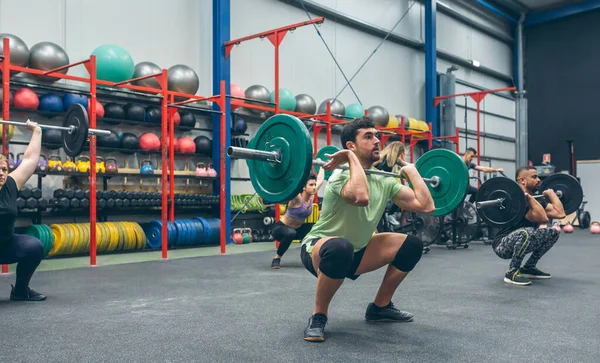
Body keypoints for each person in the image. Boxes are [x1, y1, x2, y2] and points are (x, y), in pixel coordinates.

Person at [299, 117, 435, 342]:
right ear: (350, 146)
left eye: (377, 136)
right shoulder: (340, 177)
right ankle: (318, 316)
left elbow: (427, 206)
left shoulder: (385, 180)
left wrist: (412, 173)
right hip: (319, 248)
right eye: (368, 137)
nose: (377, 141)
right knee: (340, 247)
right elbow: (361, 197)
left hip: (358, 250)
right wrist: (351, 159)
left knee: (411, 244)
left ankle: (380, 307)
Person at [492, 166, 565, 286]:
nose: (538, 180)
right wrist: (529, 198)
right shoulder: (515, 200)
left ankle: (529, 267)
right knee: (526, 231)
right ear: (522, 180)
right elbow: (543, 219)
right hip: (502, 245)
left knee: (553, 232)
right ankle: (511, 272)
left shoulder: (535, 200)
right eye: (534, 177)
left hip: (524, 240)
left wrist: (552, 194)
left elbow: (560, 213)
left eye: (538, 177)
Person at [0, 120, 46, 301]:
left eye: (4, 169)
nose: (2, 173)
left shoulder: (10, 184)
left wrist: (37, 131)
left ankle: (20, 291)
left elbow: (29, 160)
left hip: (6, 246)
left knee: (34, 246)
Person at [271, 165, 325, 269]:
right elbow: (289, 183)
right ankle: (276, 258)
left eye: (314, 185)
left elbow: (321, 180)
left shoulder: (312, 195)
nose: (314, 187)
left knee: (319, 228)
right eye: (311, 185)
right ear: (304, 187)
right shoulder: (297, 198)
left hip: (297, 230)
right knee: (291, 233)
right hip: (280, 230)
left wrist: (322, 166)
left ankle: (314, 256)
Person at [373, 141, 409, 232]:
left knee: (402, 198)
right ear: (398, 150)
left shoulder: (395, 159)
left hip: (385, 186)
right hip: (375, 187)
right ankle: (387, 217)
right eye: (401, 152)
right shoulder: (381, 158)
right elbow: (366, 168)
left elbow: (409, 166)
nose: (402, 155)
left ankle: (389, 215)